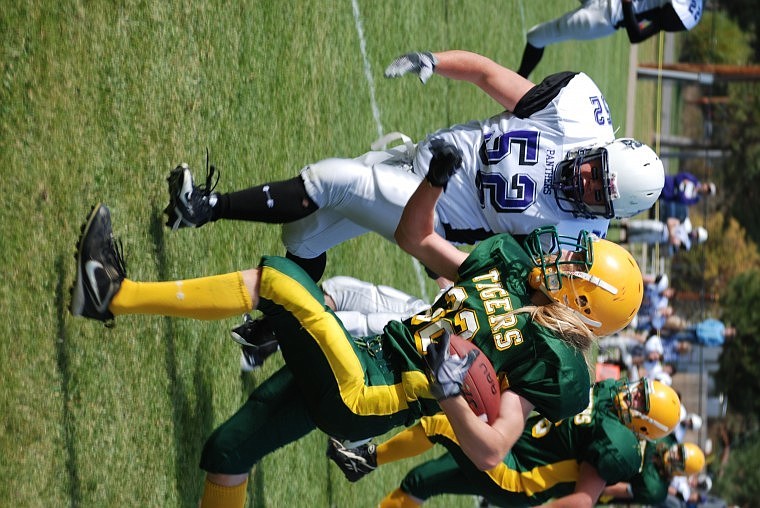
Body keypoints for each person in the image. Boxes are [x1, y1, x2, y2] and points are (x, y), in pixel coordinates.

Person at [69, 146, 644, 508]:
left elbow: (493, 450)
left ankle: (110, 294)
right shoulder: (512, 271)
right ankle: (108, 294)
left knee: (284, 282)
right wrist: (435, 182)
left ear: (586, 301)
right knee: (227, 452)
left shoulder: (556, 366)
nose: (563, 257)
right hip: (365, 352)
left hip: (373, 393)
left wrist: (450, 394)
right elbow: (414, 237)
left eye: (577, 266)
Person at [165, 49, 664, 283]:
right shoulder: (576, 110)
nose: (583, 180)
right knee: (302, 240)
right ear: (604, 145)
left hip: (432, 212)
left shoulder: (574, 243)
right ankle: (275, 328)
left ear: (608, 213)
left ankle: (203, 207)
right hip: (416, 160)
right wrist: (434, 60)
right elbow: (491, 76)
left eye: (597, 191)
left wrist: (440, 261)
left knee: (332, 181)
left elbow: (486, 270)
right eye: (595, 168)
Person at [326, 377, 682, 507]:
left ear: (645, 425)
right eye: (639, 389)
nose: (632, 394)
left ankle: (363, 459)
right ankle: (363, 462)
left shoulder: (620, 445)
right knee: (419, 482)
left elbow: (584, 500)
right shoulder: (608, 397)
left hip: (517, 476)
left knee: (442, 423)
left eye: (640, 402)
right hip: (510, 446)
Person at [517, 0, 704, 78]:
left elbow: (636, 35)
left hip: (604, 16)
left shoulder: (686, 11)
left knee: (537, 36)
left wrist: (627, 3)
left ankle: (517, 82)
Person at [600, 435, 705, 506]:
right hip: (606, 442)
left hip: (603, 476)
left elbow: (619, 490)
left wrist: (595, 484)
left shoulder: (657, 489)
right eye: (679, 451)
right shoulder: (665, 438)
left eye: (680, 459)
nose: (675, 455)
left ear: (681, 472)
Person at [619, 216, 708, 256]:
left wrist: (672, 230)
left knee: (635, 239)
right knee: (636, 225)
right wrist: (672, 231)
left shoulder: (687, 244)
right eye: (697, 233)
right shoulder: (687, 224)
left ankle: (615, 242)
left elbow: (673, 240)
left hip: (661, 237)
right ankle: (613, 226)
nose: (695, 235)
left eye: (697, 236)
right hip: (661, 226)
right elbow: (670, 221)